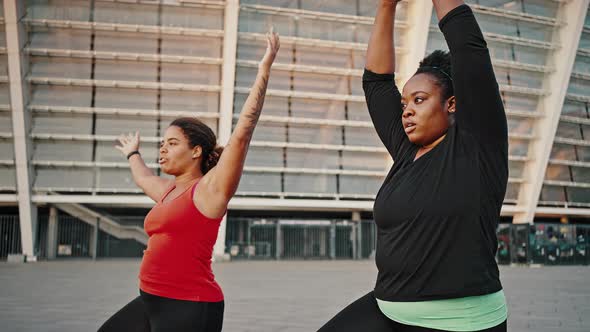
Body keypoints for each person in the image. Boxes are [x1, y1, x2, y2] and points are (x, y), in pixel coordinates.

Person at [318, 1, 508, 331]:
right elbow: (376, 83)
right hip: (390, 309)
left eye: (419, 100)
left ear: (452, 104)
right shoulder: (407, 152)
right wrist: (387, 5)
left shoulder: (477, 145)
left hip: (463, 321)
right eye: (405, 103)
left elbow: (468, 47)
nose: (406, 111)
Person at [98, 30, 280, 332]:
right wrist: (133, 153)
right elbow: (144, 179)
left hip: (190, 306)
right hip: (150, 299)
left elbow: (244, 130)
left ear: (196, 151)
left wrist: (264, 70)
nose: (163, 148)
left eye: (172, 143)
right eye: (162, 143)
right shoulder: (168, 190)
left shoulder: (209, 190)